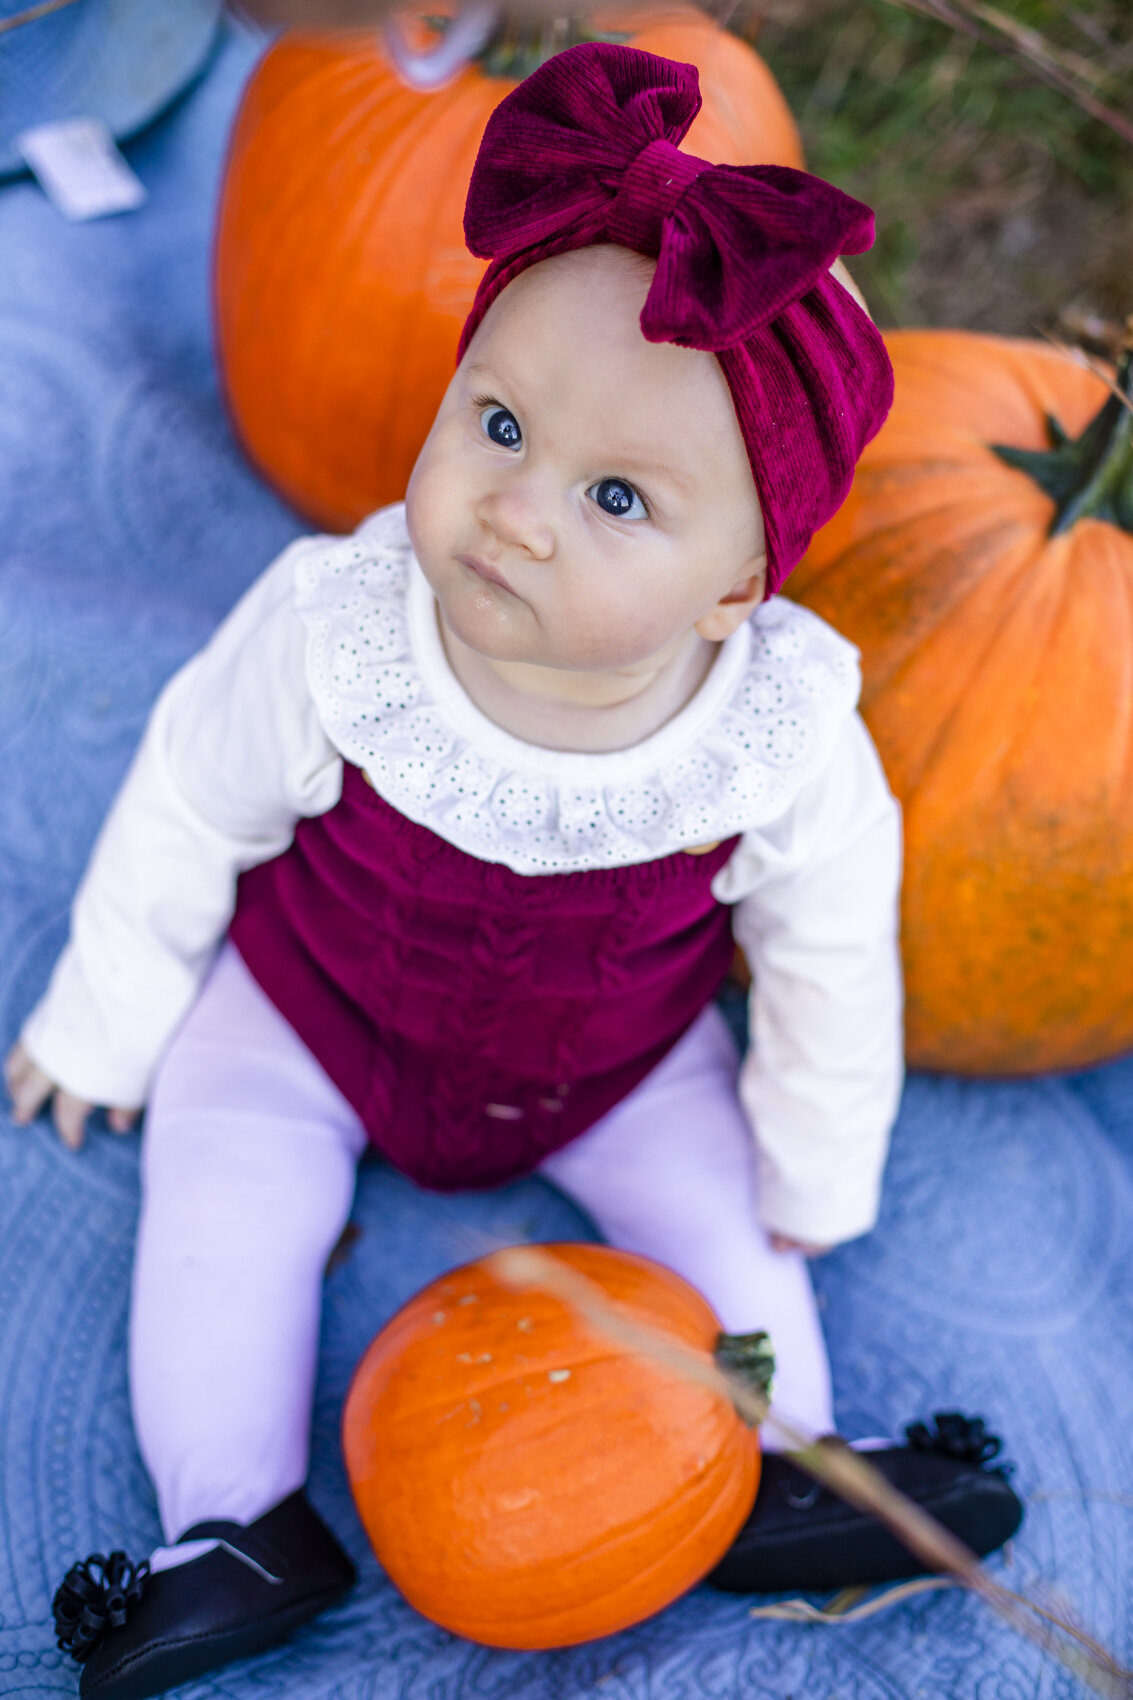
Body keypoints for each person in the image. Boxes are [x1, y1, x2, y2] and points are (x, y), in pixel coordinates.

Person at [4, 41, 1021, 1700]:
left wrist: (815, 1166)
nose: (515, 512)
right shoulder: (344, 632)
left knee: (728, 1224)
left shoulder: (769, 735)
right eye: (496, 422)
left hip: (617, 1065)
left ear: (735, 590)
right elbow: (192, 797)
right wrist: (109, 1021)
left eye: (616, 495)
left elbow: (833, 948)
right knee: (219, 1193)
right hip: (311, 1011)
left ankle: (791, 1456)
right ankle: (232, 1519)